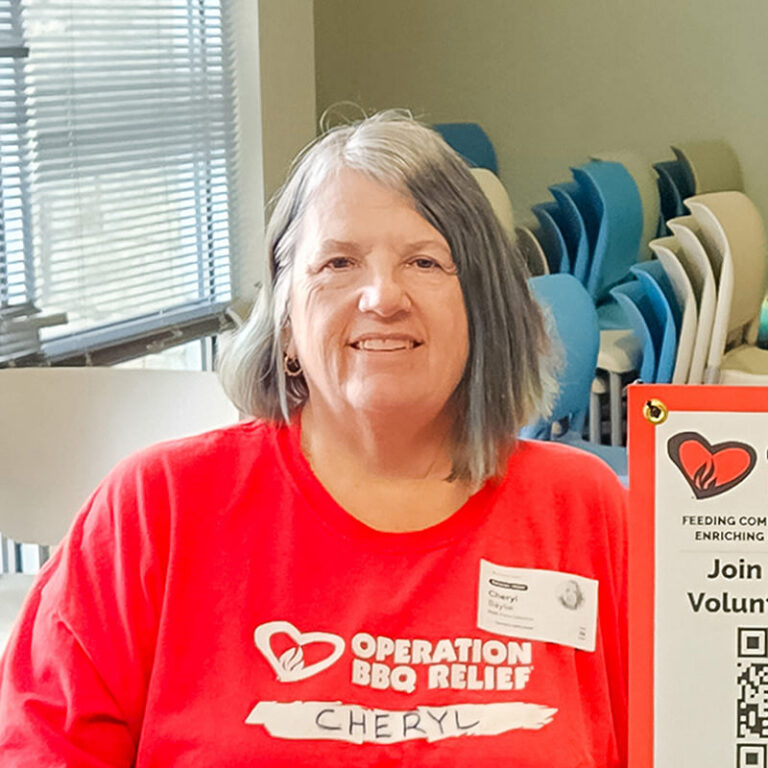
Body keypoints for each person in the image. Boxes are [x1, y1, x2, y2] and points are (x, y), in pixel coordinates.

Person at [0, 111, 627, 766]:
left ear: (481, 309)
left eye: (424, 261)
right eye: (338, 262)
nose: (382, 297)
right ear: (286, 321)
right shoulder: (157, 510)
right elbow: (43, 747)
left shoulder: (583, 512)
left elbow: (670, 734)